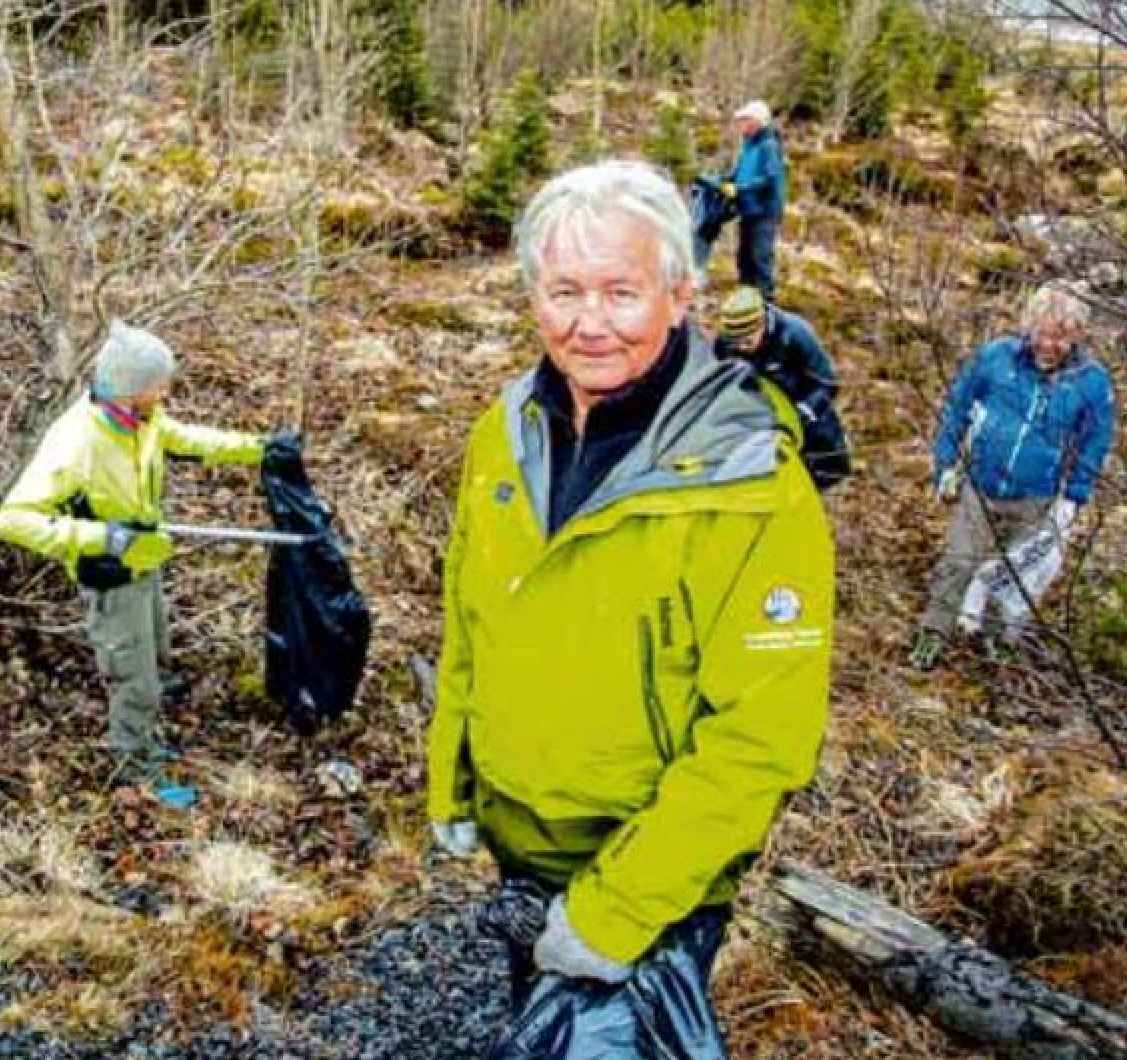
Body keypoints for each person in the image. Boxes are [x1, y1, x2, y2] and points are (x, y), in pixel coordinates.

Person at [426, 159, 833, 1052]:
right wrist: (451, 773)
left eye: (622, 291)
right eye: (564, 290)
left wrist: (612, 915)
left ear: (680, 295)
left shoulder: (752, 483)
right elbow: (473, 613)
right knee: (535, 1010)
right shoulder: (504, 431)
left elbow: (758, 741)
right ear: (533, 297)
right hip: (520, 841)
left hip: (653, 879)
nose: (590, 323)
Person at [0, 320, 284, 783]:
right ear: (130, 388)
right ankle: (138, 772)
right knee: (135, 680)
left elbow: (188, 439)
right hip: (111, 576)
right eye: (159, 384)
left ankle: (149, 739)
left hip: (145, 561)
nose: (166, 391)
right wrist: (99, 538)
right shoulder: (76, 443)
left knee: (158, 661)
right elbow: (12, 518)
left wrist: (260, 450)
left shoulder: (141, 420)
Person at [908, 284, 1115, 670]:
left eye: (1061, 336)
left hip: (1037, 495)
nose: (1050, 345)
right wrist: (946, 465)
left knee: (1015, 573)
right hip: (981, 485)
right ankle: (933, 633)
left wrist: (1074, 496)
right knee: (958, 561)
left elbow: (1096, 441)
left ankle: (998, 639)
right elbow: (956, 408)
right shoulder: (996, 358)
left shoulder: (1091, 382)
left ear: (1077, 335)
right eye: (1044, 333)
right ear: (1029, 327)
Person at [715, 285, 851, 490]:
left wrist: (803, 412)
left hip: (805, 408)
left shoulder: (795, 334)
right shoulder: (724, 344)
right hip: (759, 415)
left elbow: (826, 382)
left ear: (761, 325)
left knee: (826, 470)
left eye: (748, 341)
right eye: (736, 344)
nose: (742, 348)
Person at [716, 100, 786, 300]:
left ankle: (766, 308)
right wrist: (723, 181)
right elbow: (739, 173)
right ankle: (745, 303)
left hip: (764, 212)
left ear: (757, 121)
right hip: (748, 210)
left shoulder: (769, 146)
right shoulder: (749, 146)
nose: (742, 124)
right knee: (744, 260)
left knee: (760, 261)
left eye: (745, 120)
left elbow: (769, 178)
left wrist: (740, 189)